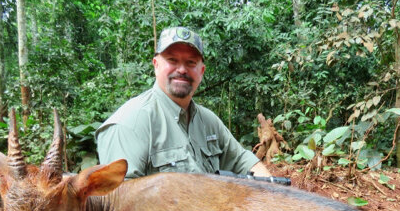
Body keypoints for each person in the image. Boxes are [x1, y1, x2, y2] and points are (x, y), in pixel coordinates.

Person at [96, 26, 271, 178]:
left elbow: (243, 162)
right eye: (172, 60)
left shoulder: (209, 122)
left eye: (190, 62)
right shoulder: (129, 123)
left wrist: (275, 194)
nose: (181, 70)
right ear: (156, 65)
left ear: (201, 71)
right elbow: (119, 202)